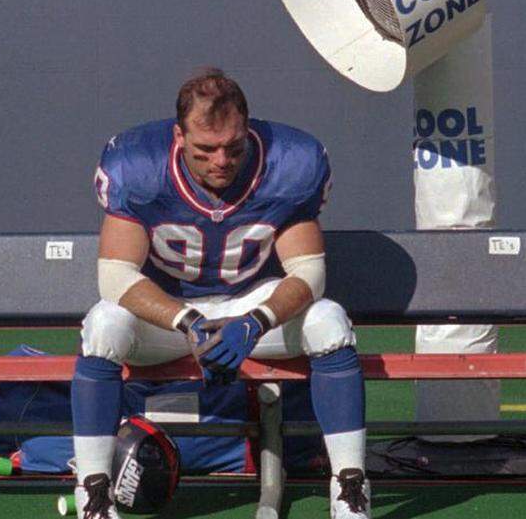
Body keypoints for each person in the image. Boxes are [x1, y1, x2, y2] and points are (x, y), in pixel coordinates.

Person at [72, 68, 369, 519]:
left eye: (233, 147)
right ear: (177, 137)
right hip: (169, 317)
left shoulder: (288, 163)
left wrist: (255, 322)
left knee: (329, 319)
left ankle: (349, 487)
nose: (220, 161)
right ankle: (93, 491)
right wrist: (188, 322)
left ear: (248, 131)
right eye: (205, 149)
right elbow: (115, 277)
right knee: (103, 326)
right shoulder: (138, 165)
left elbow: (308, 271)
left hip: (250, 304)